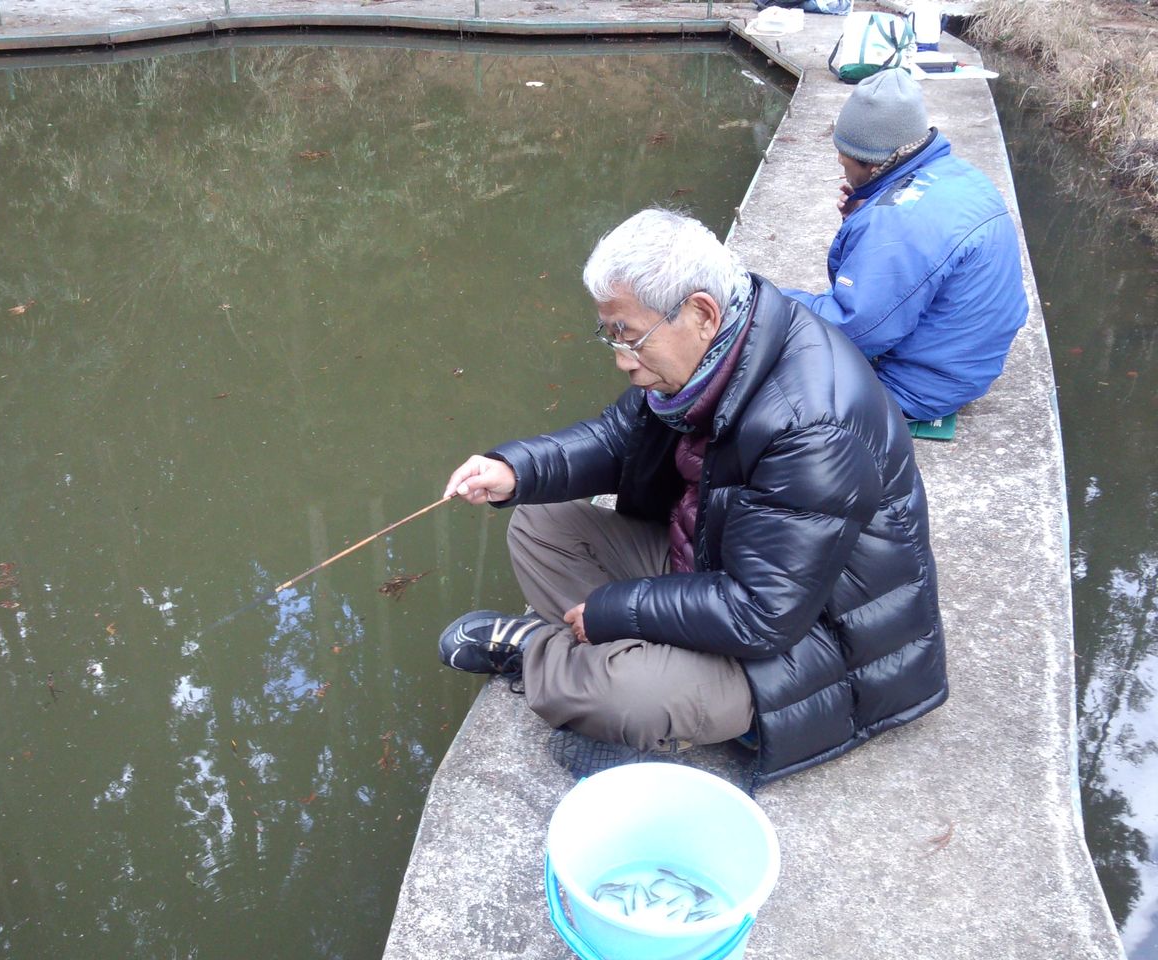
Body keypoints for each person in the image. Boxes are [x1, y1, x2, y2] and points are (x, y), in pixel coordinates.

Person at [437, 208, 947, 786]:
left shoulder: (811, 424)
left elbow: (763, 613)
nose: (622, 360)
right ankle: (600, 663)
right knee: (537, 525)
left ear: (701, 312)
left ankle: (540, 653)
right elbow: (617, 439)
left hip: (807, 641)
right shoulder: (715, 354)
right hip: (713, 565)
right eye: (611, 335)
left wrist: (613, 610)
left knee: (623, 696)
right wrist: (514, 469)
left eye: (631, 337)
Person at [781, 70, 1028, 423]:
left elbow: (857, 328)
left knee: (760, 391)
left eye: (844, 154)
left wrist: (764, 299)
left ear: (871, 161)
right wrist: (860, 221)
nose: (839, 162)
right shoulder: (955, 174)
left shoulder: (896, 222)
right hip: (966, 360)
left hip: (919, 385)